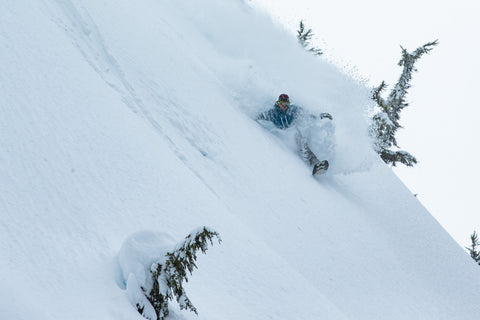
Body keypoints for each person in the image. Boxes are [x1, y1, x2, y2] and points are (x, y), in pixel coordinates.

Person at [256, 93, 331, 175]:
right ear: (278, 103)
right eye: (283, 104)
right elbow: (261, 116)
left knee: (300, 139)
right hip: (282, 134)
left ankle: (316, 163)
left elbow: (306, 114)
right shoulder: (272, 113)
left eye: (287, 104)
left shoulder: (293, 109)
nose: (285, 106)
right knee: (296, 141)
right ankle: (309, 162)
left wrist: (320, 116)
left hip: (293, 131)